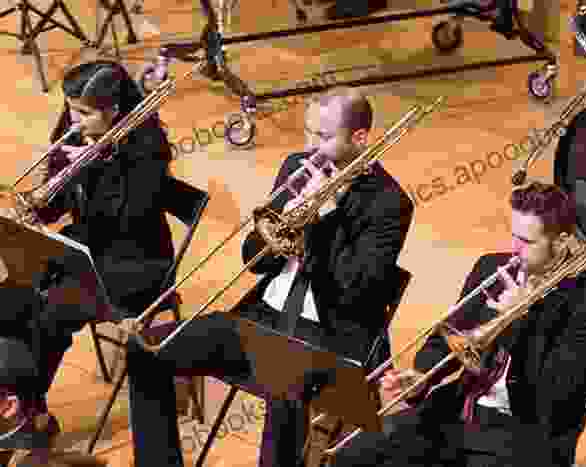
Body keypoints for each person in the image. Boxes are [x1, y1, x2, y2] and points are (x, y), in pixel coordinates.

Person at [123, 86, 414, 467]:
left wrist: (318, 225)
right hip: (262, 318)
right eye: (308, 132)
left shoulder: (388, 203)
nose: (311, 146)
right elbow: (252, 260)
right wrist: (276, 235)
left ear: (359, 138)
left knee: (285, 383)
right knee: (145, 348)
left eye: (324, 137)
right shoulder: (298, 167)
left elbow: (356, 291)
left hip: (325, 333)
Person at [330, 181, 586, 467]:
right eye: (514, 236)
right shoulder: (492, 267)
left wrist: (520, 317)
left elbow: (553, 396)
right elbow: (450, 334)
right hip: (459, 411)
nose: (515, 250)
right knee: (354, 455)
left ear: (562, 241)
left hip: (520, 432)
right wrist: (422, 376)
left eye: (528, 242)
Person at [0, 60, 174, 452]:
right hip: (81, 250)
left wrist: (92, 165)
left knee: (49, 312)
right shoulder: (73, 134)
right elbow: (53, 204)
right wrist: (34, 209)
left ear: (113, 110)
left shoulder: (147, 150)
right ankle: (23, 408)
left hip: (135, 263)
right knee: (9, 300)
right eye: (71, 108)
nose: (73, 120)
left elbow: (128, 220)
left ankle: (27, 415)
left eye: (83, 112)